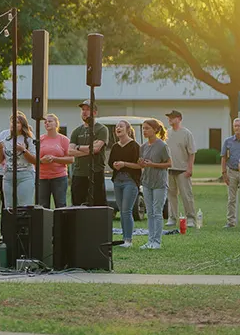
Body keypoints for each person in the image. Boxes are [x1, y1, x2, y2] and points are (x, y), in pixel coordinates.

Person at [139, 119, 172, 250]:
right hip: (147, 182)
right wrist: (142, 163)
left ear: (155, 130)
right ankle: (150, 240)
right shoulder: (143, 147)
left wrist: (153, 164)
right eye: (143, 128)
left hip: (159, 183)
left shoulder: (162, 146)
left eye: (147, 128)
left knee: (157, 212)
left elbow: (169, 164)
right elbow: (142, 164)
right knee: (150, 212)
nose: (144, 131)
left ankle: (157, 241)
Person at [69, 99, 109, 206]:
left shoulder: (101, 129)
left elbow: (96, 149)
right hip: (79, 173)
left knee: (97, 204)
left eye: (87, 109)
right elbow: (70, 151)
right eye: (83, 109)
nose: (84, 112)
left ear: (94, 113)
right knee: (77, 203)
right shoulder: (77, 131)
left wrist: (78, 148)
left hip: (96, 172)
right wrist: (86, 149)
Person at [0, 111, 37, 210]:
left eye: (17, 122)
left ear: (23, 125)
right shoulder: (5, 138)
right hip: (8, 175)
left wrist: (23, 150)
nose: (14, 124)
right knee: (9, 207)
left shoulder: (29, 139)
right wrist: (0, 150)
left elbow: (35, 161)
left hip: (25, 174)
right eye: (12, 122)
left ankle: (24, 225)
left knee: (24, 206)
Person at [109, 119, 142, 247]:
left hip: (130, 181)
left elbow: (139, 166)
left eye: (121, 126)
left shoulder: (135, 146)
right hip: (117, 181)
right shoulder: (115, 146)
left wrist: (124, 164)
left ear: (128, 129)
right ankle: (124, 239)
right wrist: (115, 165)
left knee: (126, 210)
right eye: (117, 127)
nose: (118, 128)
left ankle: (128, 240)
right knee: (121, 210)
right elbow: (111, 162)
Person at [165, 110, 198, 228]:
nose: (170, 120)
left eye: (172, 118)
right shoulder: (167, 133)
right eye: (169, 118)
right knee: (171, 195)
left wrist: (190, 168)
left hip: (183, 169)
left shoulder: (186, 133)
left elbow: (192, 152)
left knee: (186, 195)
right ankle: (172, 217)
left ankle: (190, 218)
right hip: (169, 169)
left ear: (179, 119)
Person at [38, 113, 72, 208]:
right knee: (42, 205)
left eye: (50, 121)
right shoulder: (40, 139)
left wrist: (55, 159)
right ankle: (45, 223)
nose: (47, 123)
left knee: (60, 204)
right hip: (42, 177)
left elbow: (71, 159)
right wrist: (42, 160)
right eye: (45, 122)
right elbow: (34, 158)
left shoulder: (64, 140)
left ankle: (61, 223)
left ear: (56, 124)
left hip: (59, 177)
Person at [220, 118, 240, 228]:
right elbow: (223, 158)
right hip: (232, 172)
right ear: (233, 127)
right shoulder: (228, 141)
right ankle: (231, 222)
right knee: (231, 199)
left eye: (239, 126)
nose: (237, 128)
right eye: (236, 126)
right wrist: (224, 173)